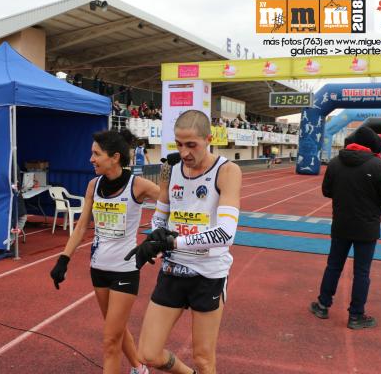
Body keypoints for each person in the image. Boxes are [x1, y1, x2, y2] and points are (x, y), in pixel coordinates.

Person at [125, 110, 242, 374]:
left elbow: (226, 233)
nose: (184, 152)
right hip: (173, 270)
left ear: (209, 139)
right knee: (148, 353)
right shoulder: (170, 169)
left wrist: (173, 242)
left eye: (191, 145)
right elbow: (160, 216)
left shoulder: (228, 171)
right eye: (179, 144)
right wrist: (155, 234)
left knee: (203, 359)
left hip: (208, 273)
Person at [49, 129, 159, 374]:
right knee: (116, 330)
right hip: (98, 269)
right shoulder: (93, 185)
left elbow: (171, 203)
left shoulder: (137, 185)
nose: (91, 159)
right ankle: (140, 369)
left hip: (125, 270)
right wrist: (63, 259)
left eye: (96, 154)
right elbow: (81, 227)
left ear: (115, 157)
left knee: (110, 341)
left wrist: (158, 237)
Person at [310, 127, 381, 329]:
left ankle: (323, 305)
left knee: (333, 266)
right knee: (361, 272)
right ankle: (356, 316)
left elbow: (326, 191)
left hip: (341, 223)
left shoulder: (334, 163)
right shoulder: (379, 165)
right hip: (367, 227)